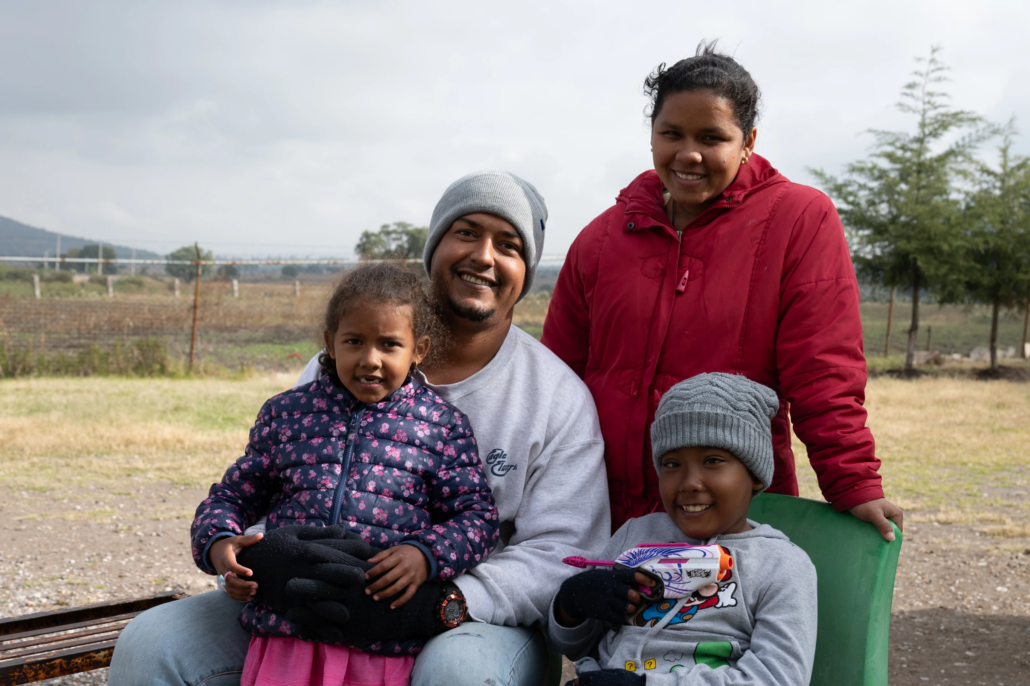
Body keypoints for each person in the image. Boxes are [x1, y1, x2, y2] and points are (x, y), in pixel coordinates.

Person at [109, 170, 611, 686]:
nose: (483, 255)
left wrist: (445, 600)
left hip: (467, 617)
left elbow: (560, 552)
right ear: (434, 246)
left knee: (458, 674)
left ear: (526, 270)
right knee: (152, 644)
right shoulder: (327, 377)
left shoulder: (555, 396)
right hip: (303, 607)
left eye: (508, 244)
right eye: (466, 232)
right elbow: (268, 490)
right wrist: (277, 561)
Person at [541, 42, 904, 539]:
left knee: (721, 617)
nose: (688, 154)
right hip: (605, 513)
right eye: (671, 134)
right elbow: (557, 384)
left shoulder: (799, 221)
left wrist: (854, 482)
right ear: (651, 135)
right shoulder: (602, 239)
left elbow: (823, 369)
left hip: (733, 517)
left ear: (748, 140)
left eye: (712, 137)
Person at [189, 262, 499, 686]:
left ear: (418, 350)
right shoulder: (286, 414)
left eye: (390, 344)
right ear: (330, 343)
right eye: (354, 341)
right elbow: (231, 496)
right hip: (285, 636)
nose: (370, 360)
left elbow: (477, 518)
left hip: (378, 642)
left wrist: (424, 556)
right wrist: (220, 547)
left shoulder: (442, 427)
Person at [549, 373, 818, 685]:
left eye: (713, 460)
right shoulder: (634, 536)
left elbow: (779, 679)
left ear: (755, 474)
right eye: (672, 464)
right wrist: (571, 605)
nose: (689, 482)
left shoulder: (781, 566)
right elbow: (575, 645)